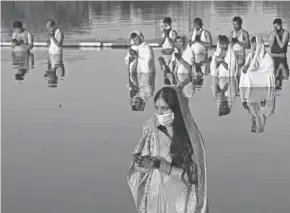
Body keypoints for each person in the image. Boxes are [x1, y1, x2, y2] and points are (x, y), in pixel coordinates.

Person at [127, 86, 208, 213]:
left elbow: (194, 178)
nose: (159, 113)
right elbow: (135, 166)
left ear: (176, 109)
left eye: (164, 108)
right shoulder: (152, 130)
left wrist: (163, 166)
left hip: (180, 202)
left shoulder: (191, 138)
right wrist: (146, 163)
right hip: (155, 198)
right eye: (157, 108)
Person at [269, 18, 289, 88]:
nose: (276, 28)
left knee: (282, 68)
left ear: (281, 25)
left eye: (277, 26)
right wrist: (273, 35)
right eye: (275, 26)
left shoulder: (286, 33)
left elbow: (281, 46)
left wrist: (277, 35)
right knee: (273, 71)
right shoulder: (272, 33)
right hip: (273, 56)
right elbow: (270, 46)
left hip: (281, 57)